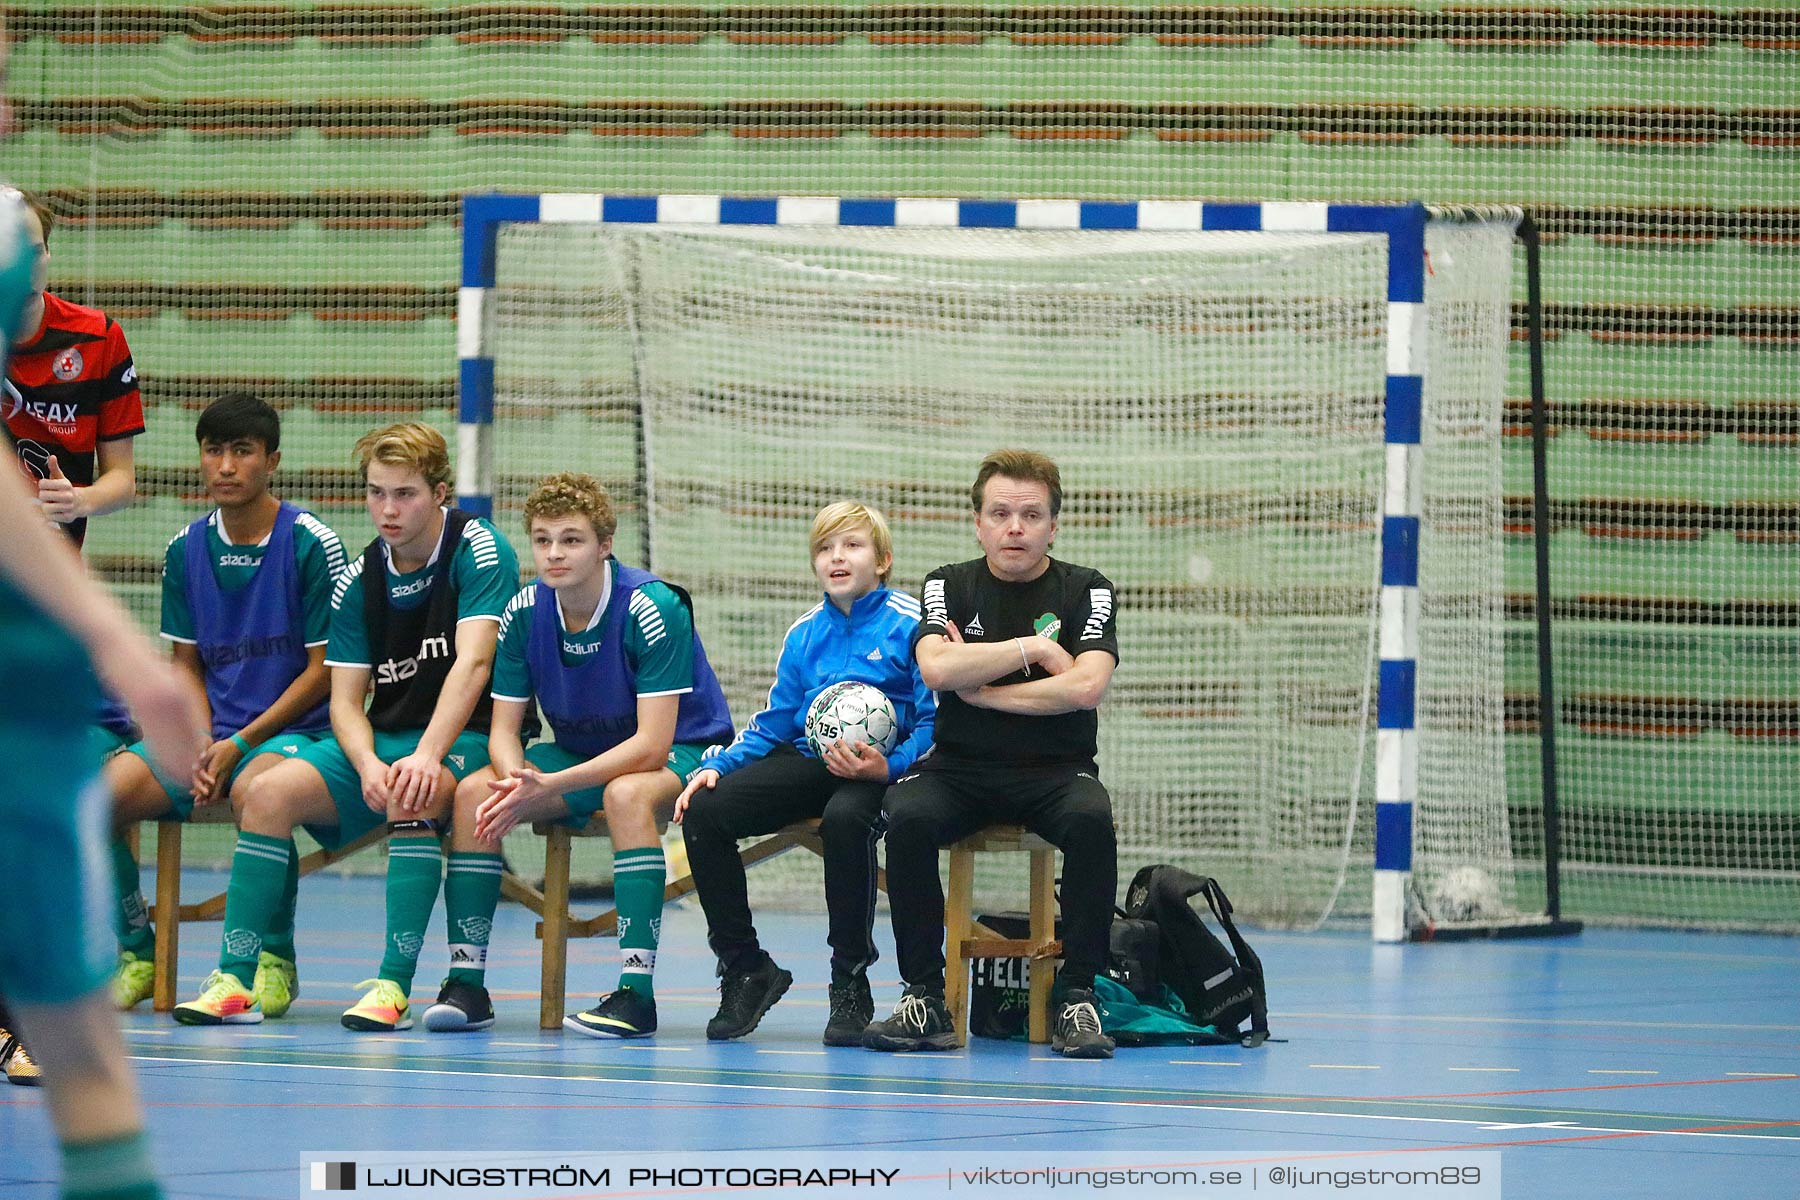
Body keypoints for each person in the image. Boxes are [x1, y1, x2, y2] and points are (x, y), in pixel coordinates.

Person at [0, 181, 209, 1200]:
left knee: (85, 1055)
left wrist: (79, 511)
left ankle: (34, 1014)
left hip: (32, 632)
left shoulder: (90, 338)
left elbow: (104, 477)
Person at [173, 423, 517, 1032]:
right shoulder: (360, 578)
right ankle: (235, 978)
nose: (388, 509)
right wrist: (365, 764)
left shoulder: (478, 549)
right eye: (376, 492)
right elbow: (344, 700)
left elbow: (475, 663)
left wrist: (425, 756)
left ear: (440, 493)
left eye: (405, 494)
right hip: (382, 741)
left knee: (419, 790)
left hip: (467, 737)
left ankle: (392, 987)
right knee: (268, 794)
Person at [432, 472, 733, 1038]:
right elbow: (504, 731)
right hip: (577, 755)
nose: (554, 553)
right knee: (476, 791)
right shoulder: (522, 612)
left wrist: (555, 785)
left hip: (685, 750)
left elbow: (652, 744)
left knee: (625, 796)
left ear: (604, 545)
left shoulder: (652, 607)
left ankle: (636, 993)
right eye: (542, 539)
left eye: (571, 539)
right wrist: (515, 778)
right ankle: (466, 982)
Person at [863, 449, 1120, 1059]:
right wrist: (1035, 648)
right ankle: (923, 998)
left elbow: (1086, 687)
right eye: (1000, 513)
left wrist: (981, 689)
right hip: (961, 769)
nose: (1015, 527)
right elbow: (935, 667)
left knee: (1092, 821)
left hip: (1057, 771)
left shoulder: (1088, 588)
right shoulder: (946, 583)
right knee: (908, 816)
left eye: (1031, 515)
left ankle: (1078, 996)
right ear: (977, 522)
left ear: (1053, 526)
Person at [103, 393, 345, 1013]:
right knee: (96, 798)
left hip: (300, 732)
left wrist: (237, 743)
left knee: (259, 791)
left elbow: (324, 674)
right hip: (213, 733)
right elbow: (186, 665)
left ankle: (272, 957)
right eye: (214, 451)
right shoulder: (184, 550)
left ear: (273, 462)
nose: (226, 466)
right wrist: (199, 742)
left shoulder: (312, 544)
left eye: (242, 451)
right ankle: (135, 951)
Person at [675, 501, 935, 1045]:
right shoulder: (805, 634)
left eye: (852, 546)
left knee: (845, 821)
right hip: (811, 759)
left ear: (883, 560)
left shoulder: (914, 625)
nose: (836, 557)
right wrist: (715, 766)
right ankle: (747, 968)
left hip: (881, 771)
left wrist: (890, 766)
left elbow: (936, 720)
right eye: (825, 548)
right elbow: (772, 723)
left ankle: (850, 980)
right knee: (705, 810)